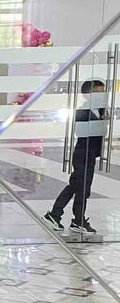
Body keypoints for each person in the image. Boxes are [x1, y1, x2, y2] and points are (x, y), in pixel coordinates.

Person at [44, 78, 108, 236]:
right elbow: (80, 132)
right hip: (82, 153)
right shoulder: (82, 111)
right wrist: (99, 124)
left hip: (90, 153)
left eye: (103, 92)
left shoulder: (100, 110)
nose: (101, 96)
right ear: (87, 94)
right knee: (77, 185)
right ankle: (58, 215)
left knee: (83, 188)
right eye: (97, 92)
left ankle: (76, 219)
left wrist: (103, 121)